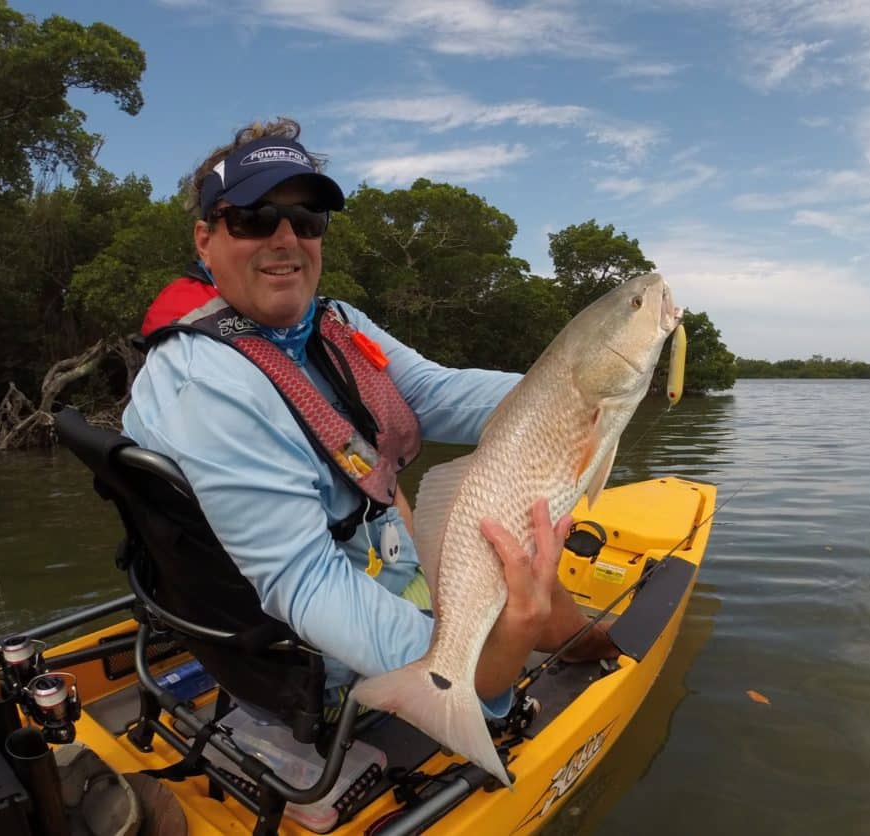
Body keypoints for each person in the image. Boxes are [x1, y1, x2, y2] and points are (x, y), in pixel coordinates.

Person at [122, 117, 615, 722]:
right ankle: (596, 648)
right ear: (205, 240)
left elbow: (438, 392)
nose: (285, 239)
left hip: (382, 567)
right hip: (309, 654)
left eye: (305, 220)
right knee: (524, 574)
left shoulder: (333, 323)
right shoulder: (206, 386)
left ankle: (584, 639)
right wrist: (457, 678)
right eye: (253, 219)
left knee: (517, 555)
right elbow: (306, 583)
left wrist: (585, 390)